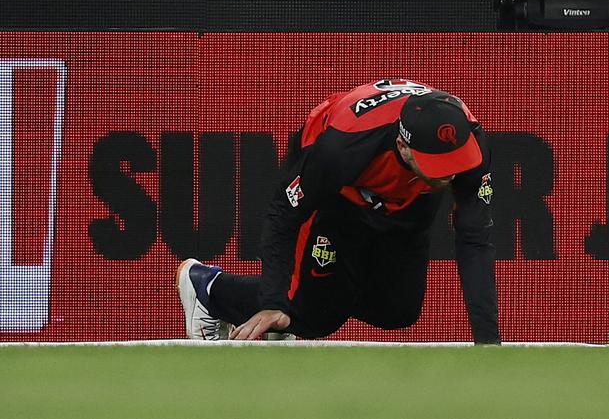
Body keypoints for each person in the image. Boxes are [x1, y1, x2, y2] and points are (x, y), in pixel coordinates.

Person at [175, 79, 500, 344]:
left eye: (454, 165)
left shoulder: (466, 142)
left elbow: (474, 240)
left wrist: (488, 345)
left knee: (398, 310)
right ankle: (208, 287)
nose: (451, 175)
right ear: (403, 146)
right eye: (439, 167)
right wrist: (274, 301)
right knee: (315, 315)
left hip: (409, 194)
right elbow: (283, 216)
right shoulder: (342, 149)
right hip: (341, 191)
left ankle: (307, 301)